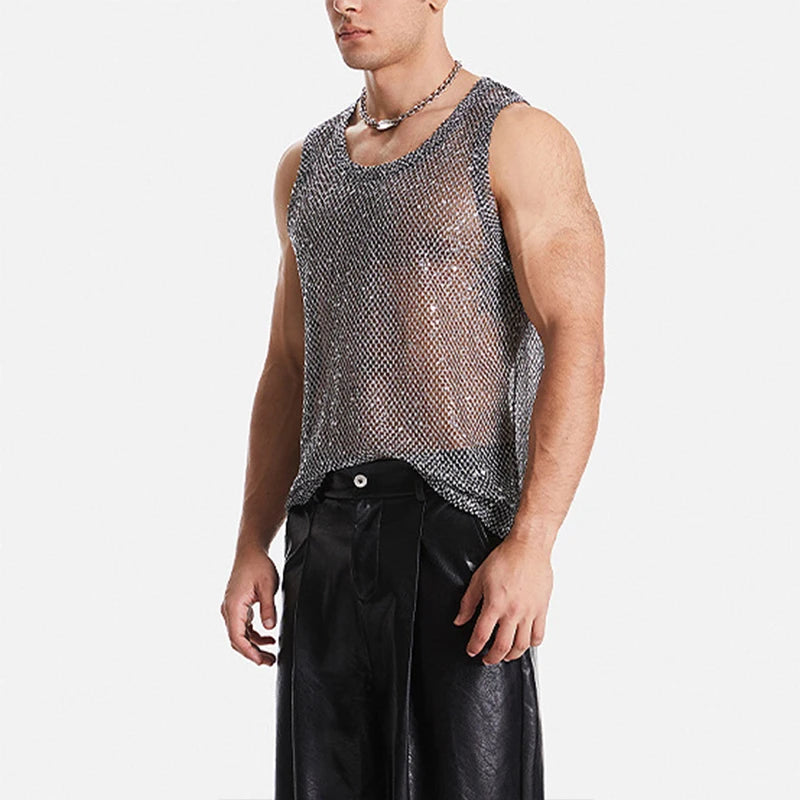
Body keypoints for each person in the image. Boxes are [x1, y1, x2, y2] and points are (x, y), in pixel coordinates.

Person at [220, 1, 605, 798]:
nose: (343, 4)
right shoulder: (306, 167)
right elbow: (288, 364)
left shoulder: (516, 139)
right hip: (324, 535)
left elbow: (576, 338)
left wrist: (533, 542)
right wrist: (252, 539)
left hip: (456, 534)